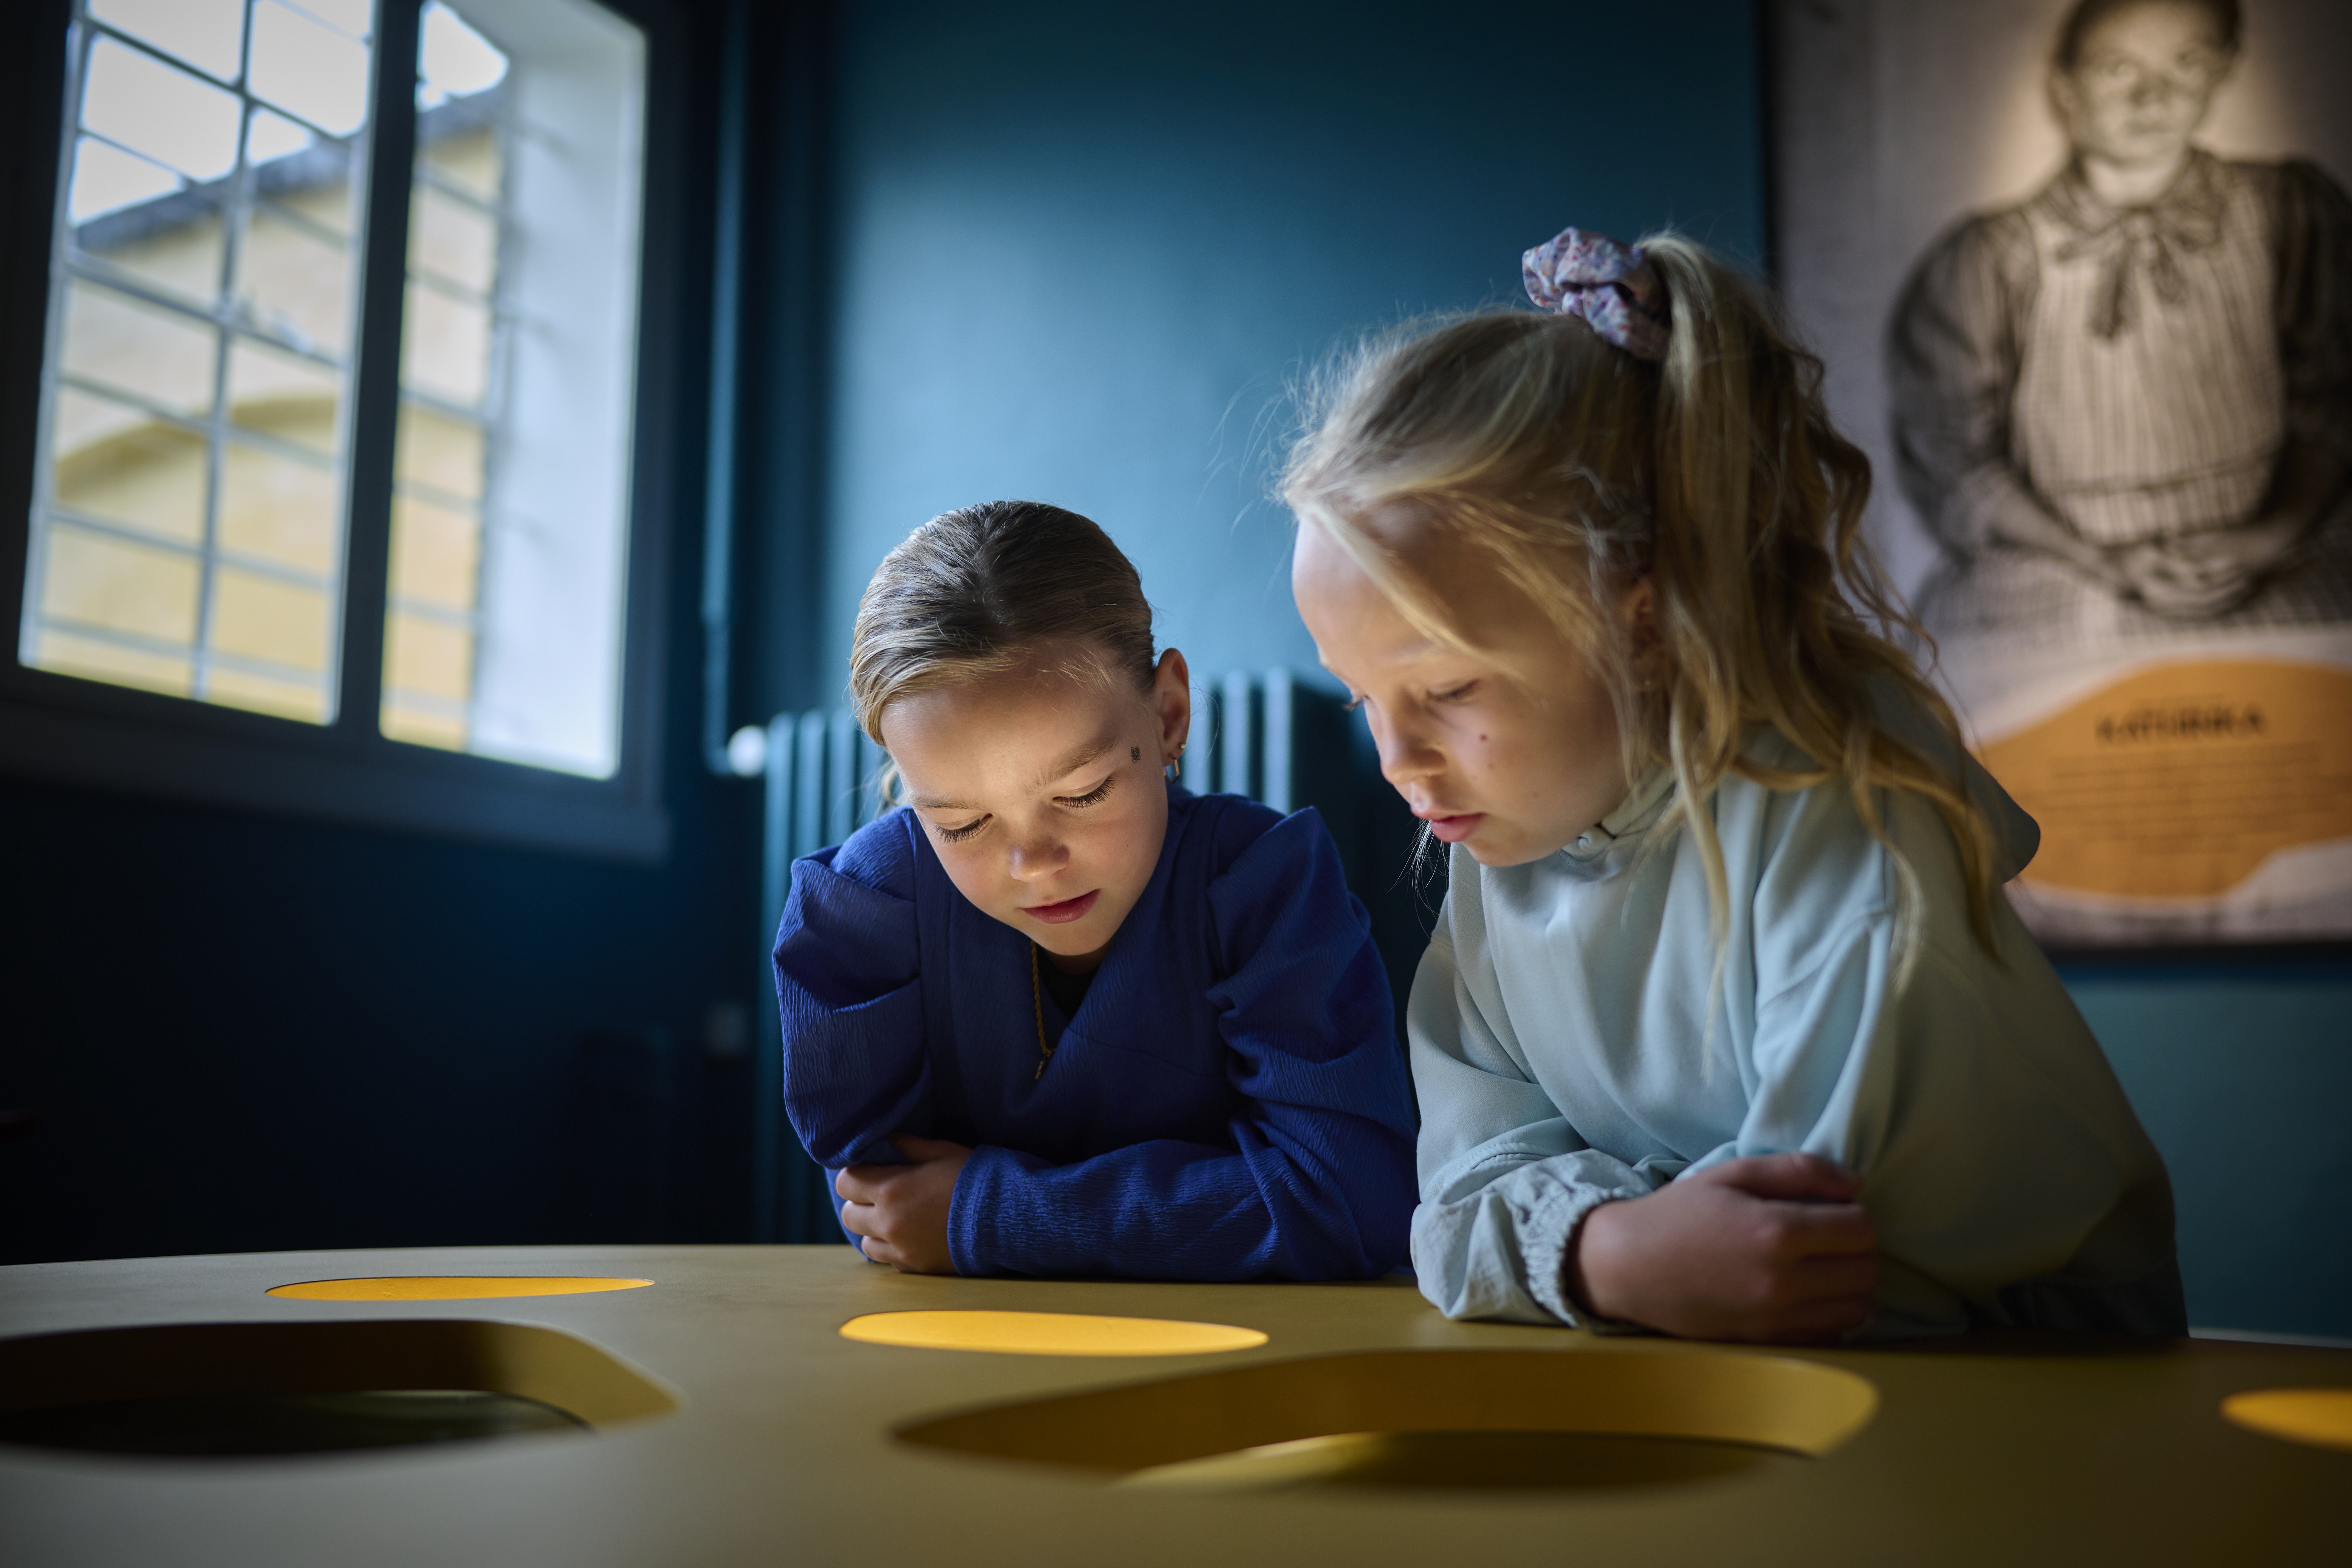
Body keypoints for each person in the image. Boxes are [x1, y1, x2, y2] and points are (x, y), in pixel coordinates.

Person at [1284, 225, 2185, 1340]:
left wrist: (1584, 1246)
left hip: (2018, 1387)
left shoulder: (1842, 817)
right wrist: (1601, 1251)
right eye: (1359, 697)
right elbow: (1451, 1211)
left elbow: (1794, 1257)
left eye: (1449, 688)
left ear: (1646, 622)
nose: (1393, 761)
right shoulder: (1497, 837)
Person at [773, 500, 1417, 1280]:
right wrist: (1217, 1203)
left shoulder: (1264, 884)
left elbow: (1350, 1202)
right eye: (963, 824)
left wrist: (990, 1215)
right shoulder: (861, 911)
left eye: (1082, 793)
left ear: (1169, 712)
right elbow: (886, 1211)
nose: (1035, 863)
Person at [1890, 0, 2352, 645]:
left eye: (2186, 62)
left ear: (2226, 70)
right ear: (2064, 87)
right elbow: (1952, 456)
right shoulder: (1988, 258)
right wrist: (2101, 559)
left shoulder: (2287, 212)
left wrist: (2268, 536)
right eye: (2116, 69)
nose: (2152, 95)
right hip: (2058, 567)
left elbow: (2332, 398)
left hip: (2270, 555)